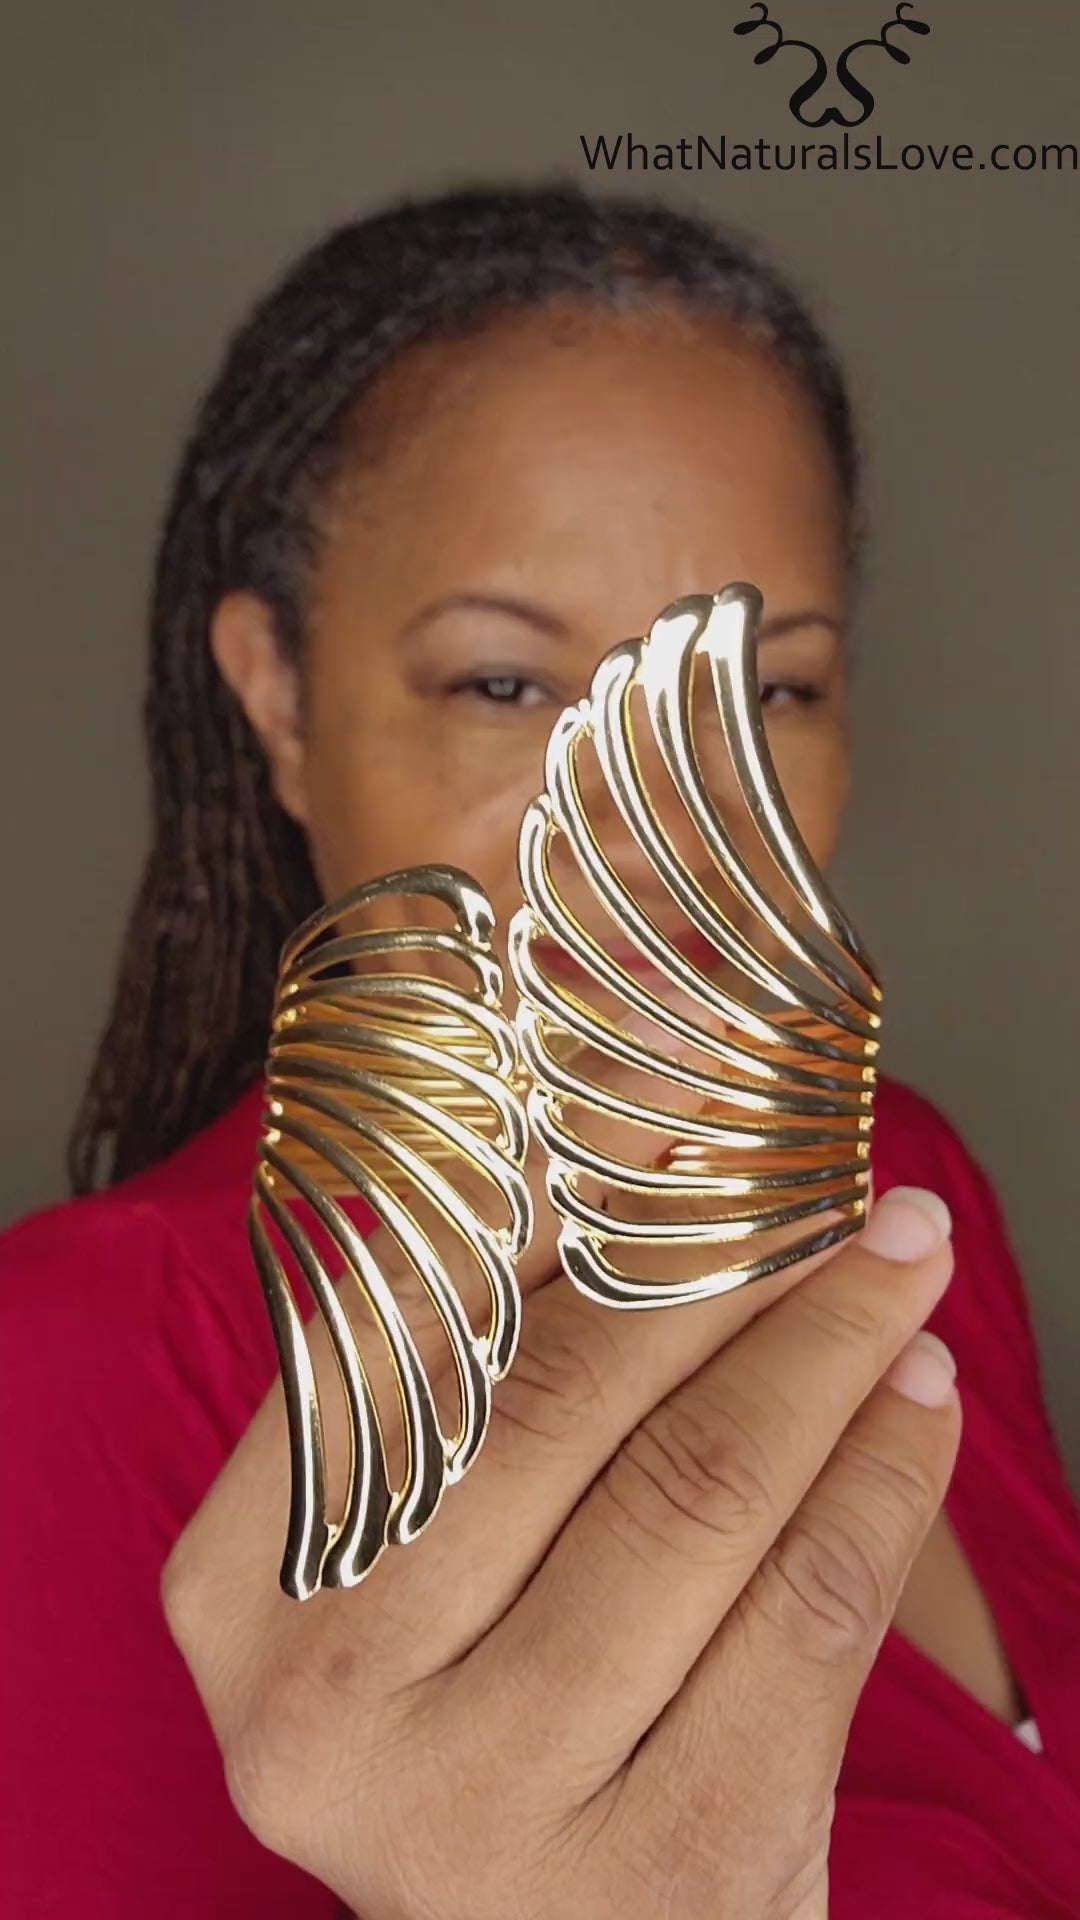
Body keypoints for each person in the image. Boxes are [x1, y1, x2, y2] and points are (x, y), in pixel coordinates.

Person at [2, 184, 1079, 1919]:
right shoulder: (67, 1372)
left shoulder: (903, 1174)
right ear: (278, 696)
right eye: (506, 686)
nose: (670, 832)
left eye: (770, 691)